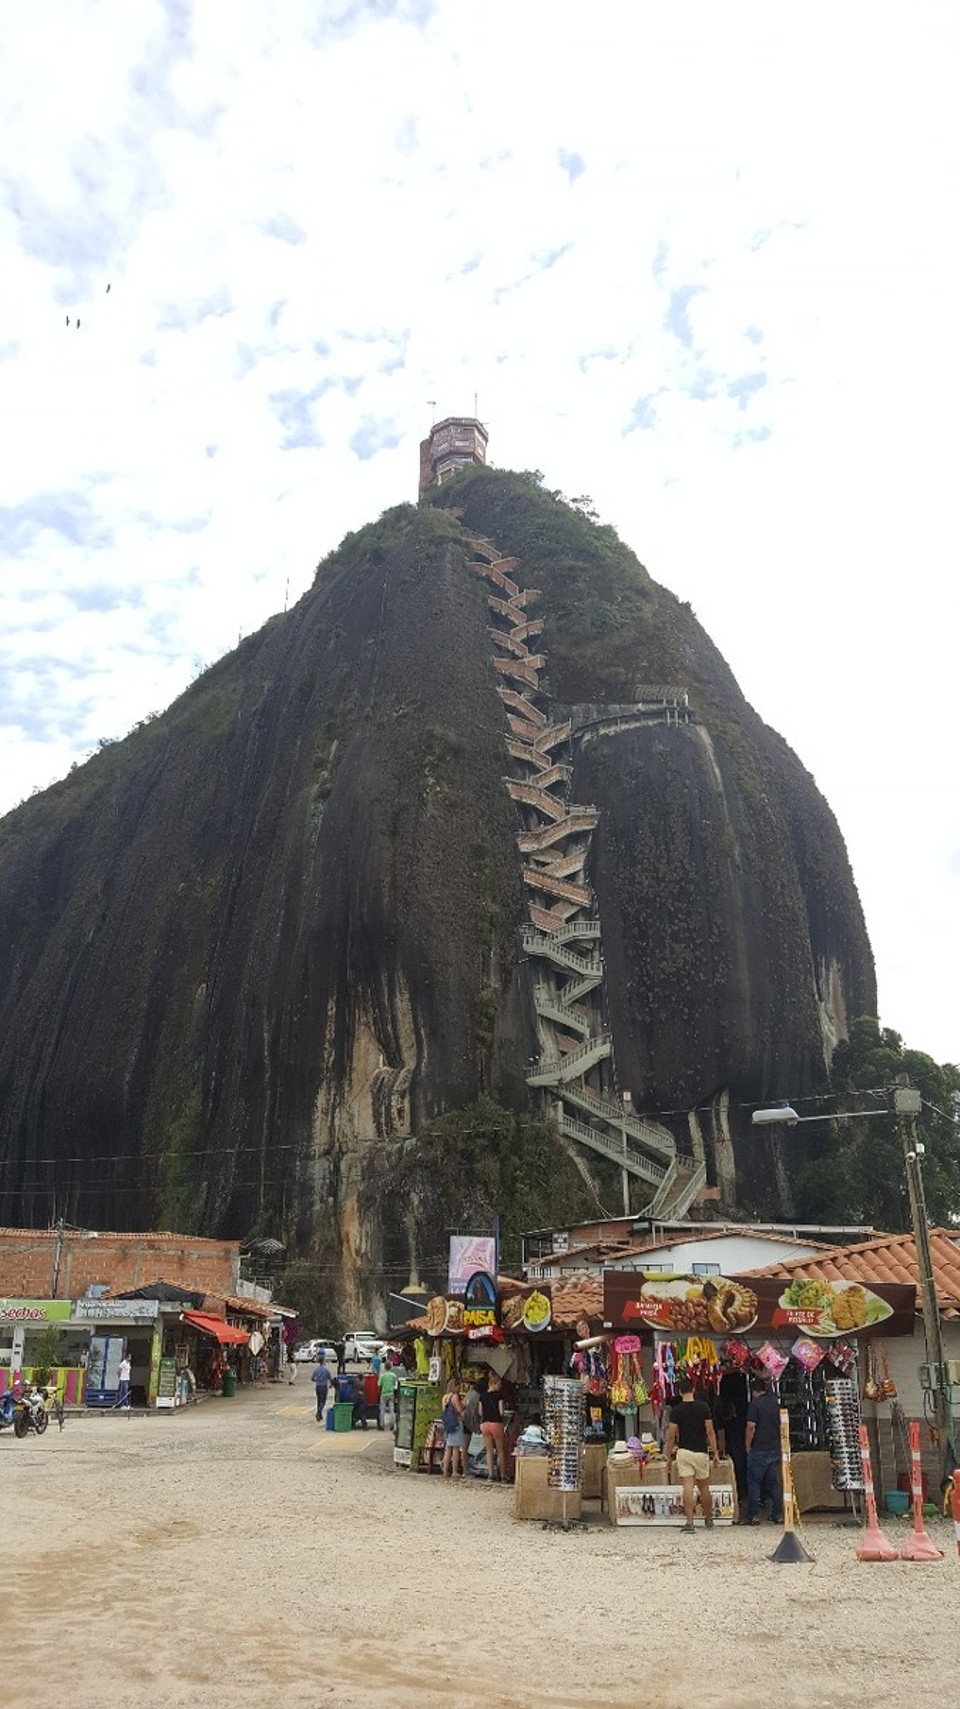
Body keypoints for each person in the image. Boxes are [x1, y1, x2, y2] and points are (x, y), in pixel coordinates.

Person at [666, 1376, 719, 1533]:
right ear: (693, 1390)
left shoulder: (676, 1411)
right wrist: (715, 1452)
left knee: (687, 1487)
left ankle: (689, 1522)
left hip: (684, 1451)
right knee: (704, 1488)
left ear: (680, 1392)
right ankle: (708, 1519)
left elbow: (671, 1436)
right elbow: (710, 1432)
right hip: (701, 1452)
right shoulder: (703, 1408)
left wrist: (668, 1455)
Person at [745, 1376, 784, 1525]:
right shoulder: (775, 1404)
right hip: (773, 1447)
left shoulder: (755, 1405)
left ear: (754, 1391)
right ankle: (777, 1514)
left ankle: (753, 1515)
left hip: (759, 1448)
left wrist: (748, 1445)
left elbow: (751, 1426)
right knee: (773, 1482)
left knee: (754, 1483)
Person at [479, 1373, 506, 1483]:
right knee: (500, 1451)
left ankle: (490, 1475)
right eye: (499, 1384)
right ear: (494, 1384)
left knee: (489, 1450)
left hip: (485, 1424)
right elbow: (501, 1412)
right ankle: (503, 1475)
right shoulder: (499, 1396)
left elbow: (480, 1412)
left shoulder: (482, 1396)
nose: (500, 1387)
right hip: (496, 1423)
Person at [441, 1381, 465, 1480]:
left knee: (448, 1449)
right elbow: (459, 1409)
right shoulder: (455, 1396)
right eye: (459, 1387)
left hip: (447, 1424)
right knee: (455, 1449)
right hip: (455, 1423)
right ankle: (454, 1471)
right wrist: (464, 1405)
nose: (460, 1389)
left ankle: (445, 1471)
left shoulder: (445, 1397)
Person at [311, 1354, 334, 1422]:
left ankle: (319, 1415)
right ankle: (319, 1412)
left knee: (318, 1401)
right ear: (323, 1362)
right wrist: (330, 1384)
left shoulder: (316, 1370)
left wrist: (317, 1381)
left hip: (318, 1386)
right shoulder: (326, 1370)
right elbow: (330, 1378)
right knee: (323, 1401)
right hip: (324, 1386)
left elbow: (312, 1378)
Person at [378, 1359, 398, 1432]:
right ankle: (392, 1425)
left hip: (383, 1394)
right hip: (391, 1394)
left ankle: (381, 1425)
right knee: (391, 1410)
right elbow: (395, 1386)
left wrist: (380, 1393)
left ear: (385, 1367)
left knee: (382, 1410)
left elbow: (379, 1385)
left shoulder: (382, 1376)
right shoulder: (393, 1376)